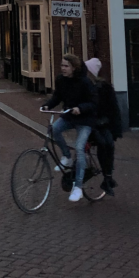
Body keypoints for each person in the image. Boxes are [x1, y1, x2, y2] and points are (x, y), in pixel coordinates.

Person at [42, 54, 98, 203]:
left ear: (74, 67)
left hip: (85, 120)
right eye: (62, 65)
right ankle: (66, 156)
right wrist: (48, 105)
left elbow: (93, 102)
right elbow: (57, 97)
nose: (63, 68)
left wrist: (80, 108)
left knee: (79, 148)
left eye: (66, 66)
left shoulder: (85, 82)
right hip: (69, 116)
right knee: (54, 129)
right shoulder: (61, 80)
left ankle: (78, 187)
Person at [85, 57, 122, 195]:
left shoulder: (104, 88)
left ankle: (107, 178)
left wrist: (115, 129)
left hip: (102, 123)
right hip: (89, 123)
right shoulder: (84, 86)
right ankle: (107, 178)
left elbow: (113, 109)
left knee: (109, 144)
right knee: (102, 143)